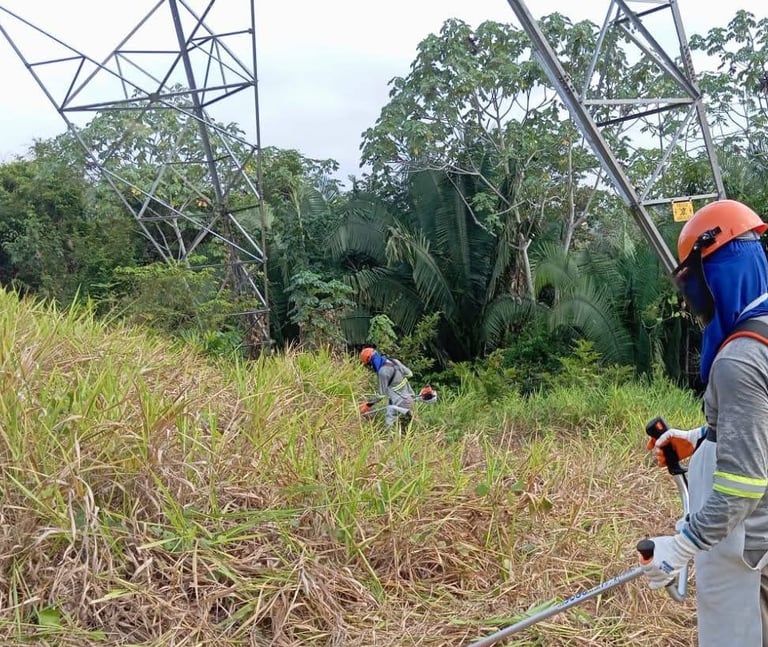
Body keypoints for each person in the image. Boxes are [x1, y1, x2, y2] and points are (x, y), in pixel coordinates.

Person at [642, 199, 768, 646]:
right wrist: (703, 438)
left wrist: (682, 545)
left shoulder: (741, 359)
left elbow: (744, 484)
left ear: (718, 276)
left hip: (748, 546)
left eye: (696, 284)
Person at [359, 346, 416, 431]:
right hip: (410, 400)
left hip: (400, 403)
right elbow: (409, 374)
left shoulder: (382, 372)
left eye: (368, 365)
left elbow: (381, 395)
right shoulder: (394, 361)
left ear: (370, 361)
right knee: (405, 433)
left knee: (390, 431)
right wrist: (398, 380)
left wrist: (368, 405)